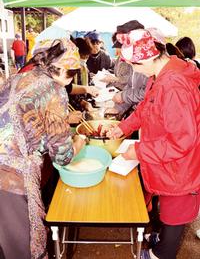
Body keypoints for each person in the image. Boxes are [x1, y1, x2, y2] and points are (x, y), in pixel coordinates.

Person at [107, 29, 200, 259]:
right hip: (165, 162)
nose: (135, 70)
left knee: (174, 216)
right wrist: (123, 127)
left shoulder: (174, 86)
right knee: (165, 208)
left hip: (179, 168)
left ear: (148, 57)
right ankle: (161, 237)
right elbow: (146, 109)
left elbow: (182, 141)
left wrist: (138, 150)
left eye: (135, 65)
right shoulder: (159, 76)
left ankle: (160, 253)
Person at [0, 38, 86, 259]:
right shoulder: (55, 91)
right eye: (71, 74)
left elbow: (25, 120)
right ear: (64, 69)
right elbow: (62, 156)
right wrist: (77, 143)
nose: (69, 81)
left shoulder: (19, 77)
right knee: (20, 247)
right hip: (10, 177)